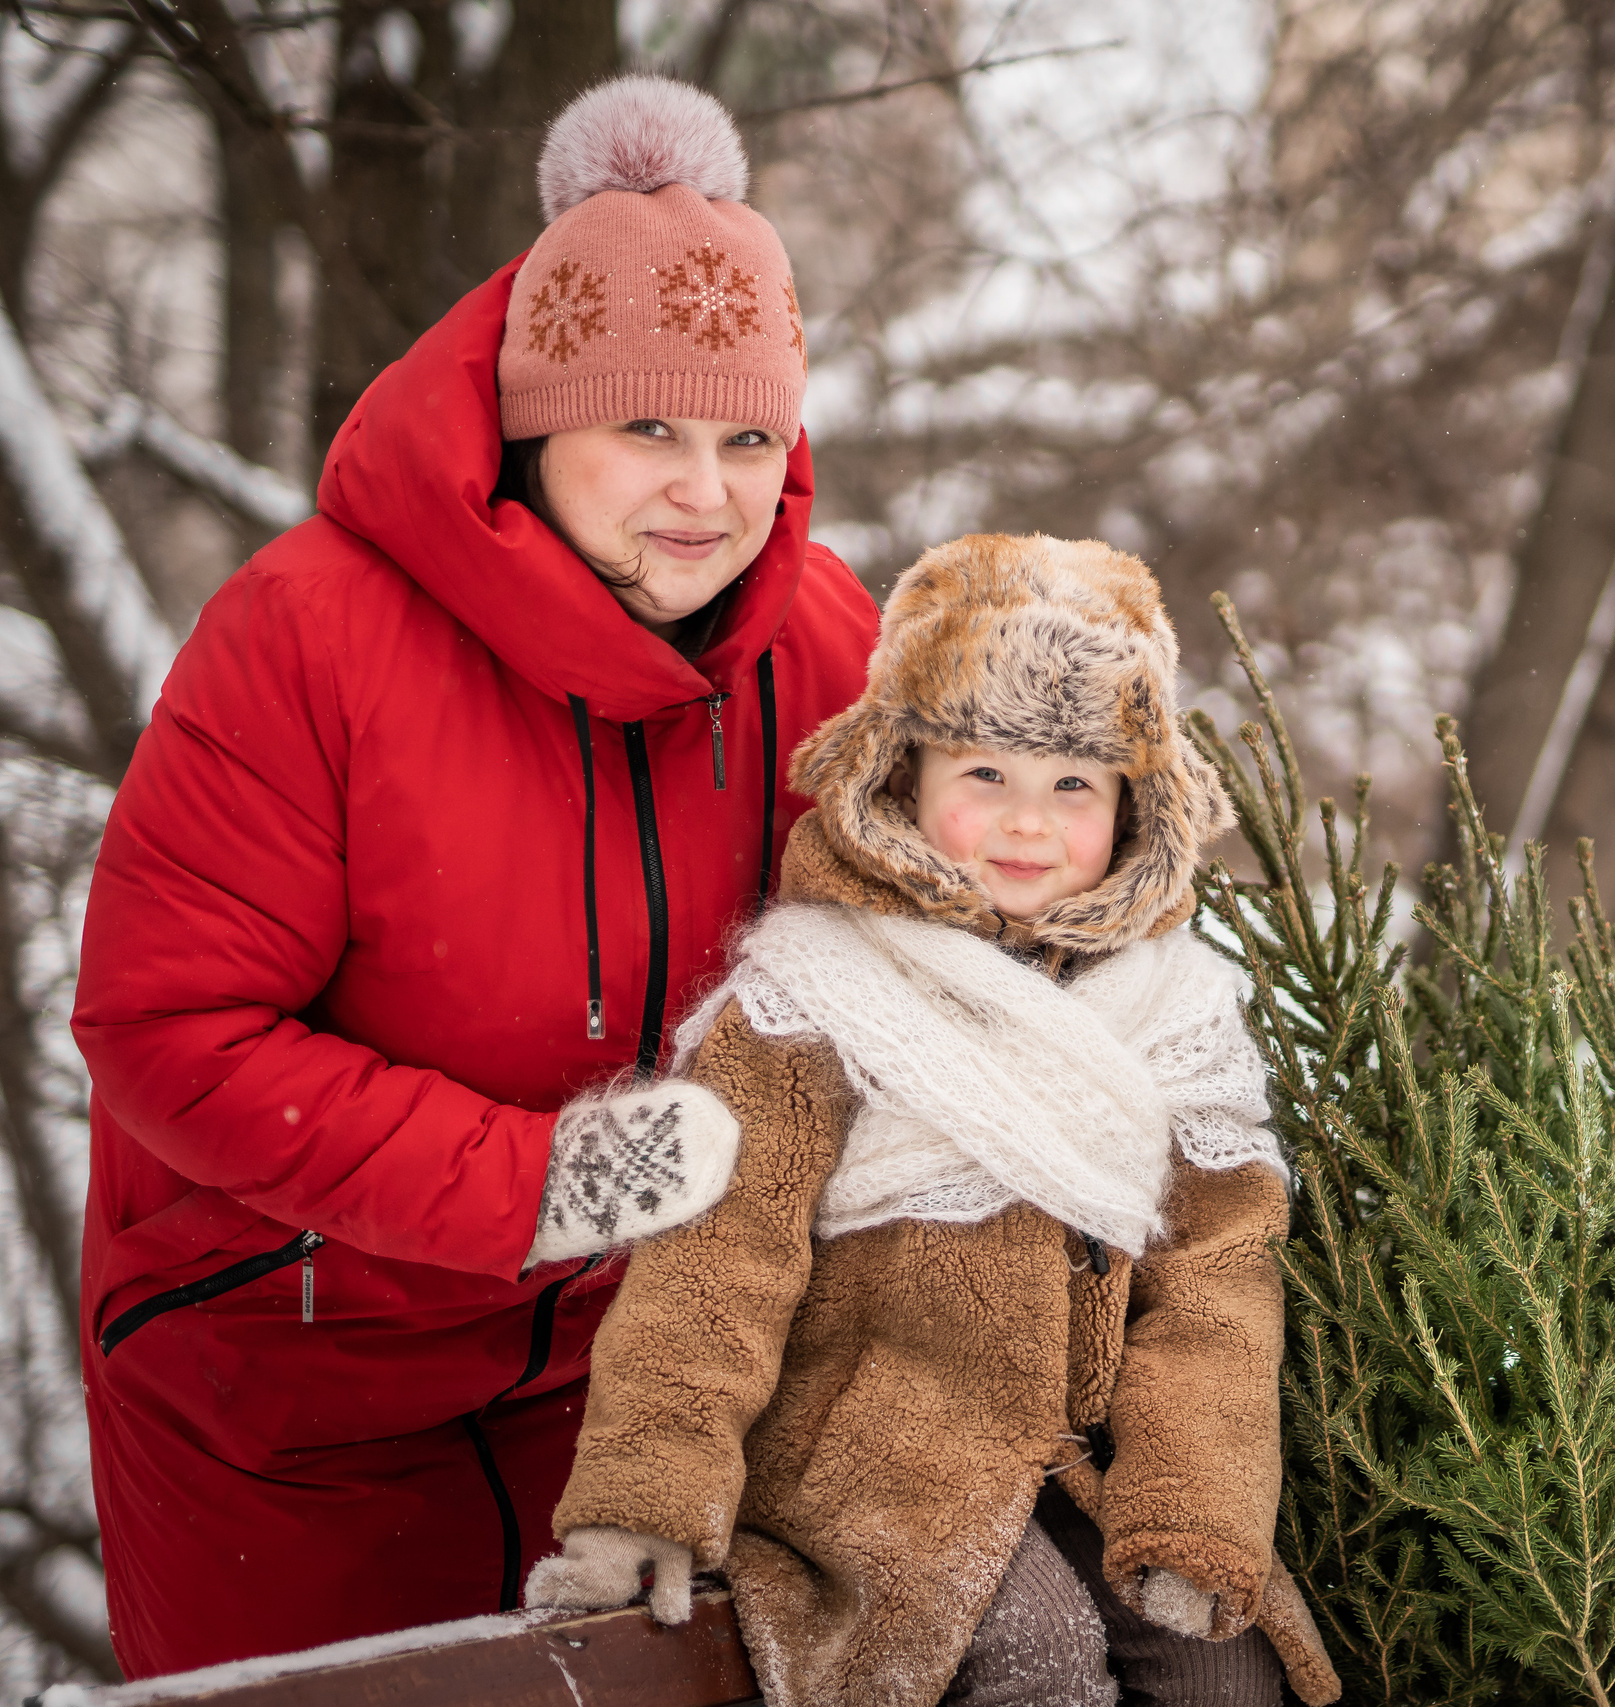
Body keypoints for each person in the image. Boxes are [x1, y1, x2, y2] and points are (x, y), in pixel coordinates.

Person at [69, 76, 880, 1679]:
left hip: (655, 1390)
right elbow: (174, 1030)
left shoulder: (831, 648)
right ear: (531, 418)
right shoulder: (309, 637)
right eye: (646, 424)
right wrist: (544, 1185)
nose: (704, 495)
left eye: (746, 436)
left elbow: (943, 948)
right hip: (296, 1386)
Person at [519, 535, 1343, 1707]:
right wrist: (642, 1503)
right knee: (1032, 1665)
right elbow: (714, 1273)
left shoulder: (1174, 1014)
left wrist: (1189, 1511)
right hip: (862, 1463)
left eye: (1074, 786)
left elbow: (1215, 1284)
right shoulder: (811, 1000)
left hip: (1070, 1467)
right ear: (902, 778)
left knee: (1229, 1675)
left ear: (1133, 807)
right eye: (985, 778)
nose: (1028, 824)